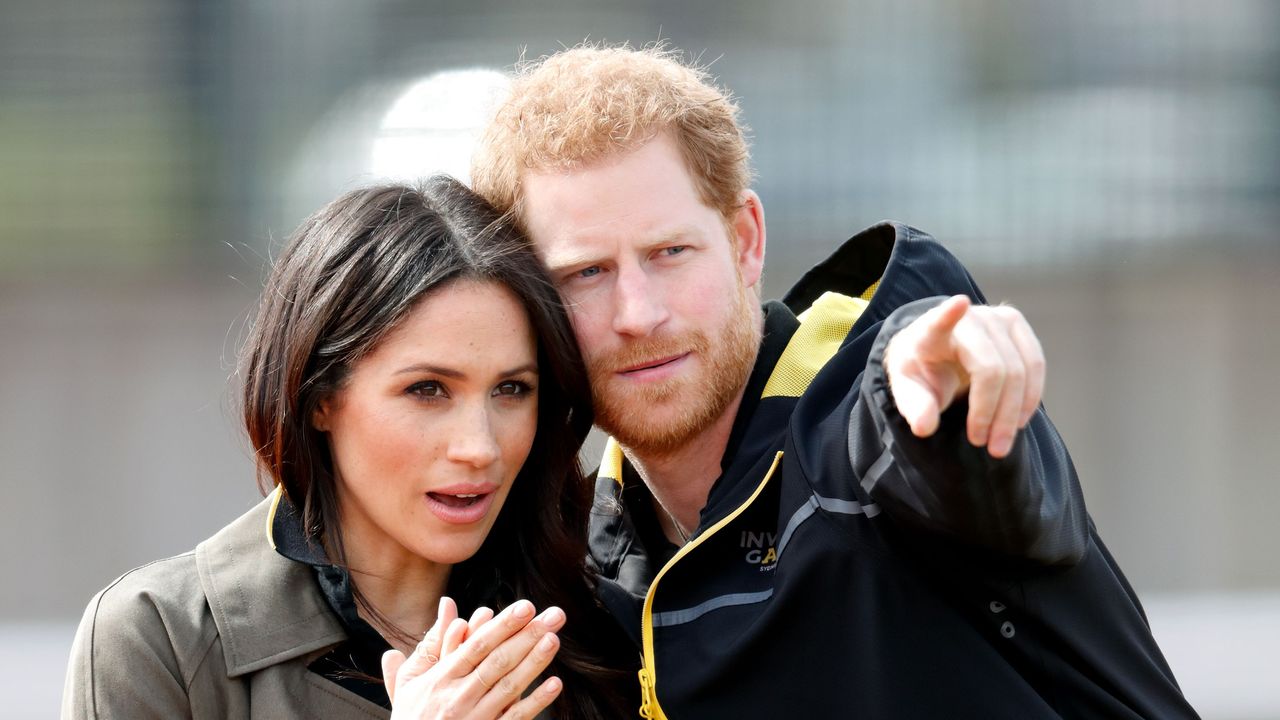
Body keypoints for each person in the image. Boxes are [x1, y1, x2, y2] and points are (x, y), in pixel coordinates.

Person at [451, 44, 1200, 718]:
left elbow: (926, 441)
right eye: (586, 273)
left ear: (745, 243)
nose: (638, 313)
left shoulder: (864, 434)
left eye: (671, 251)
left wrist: (936, 388)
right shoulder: (583, 570)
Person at [60, 177, 634, 720]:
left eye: (512, 389)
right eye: (427, 390)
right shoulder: (161, 640)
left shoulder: (603, 614)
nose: (480, 447)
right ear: (319, 398)